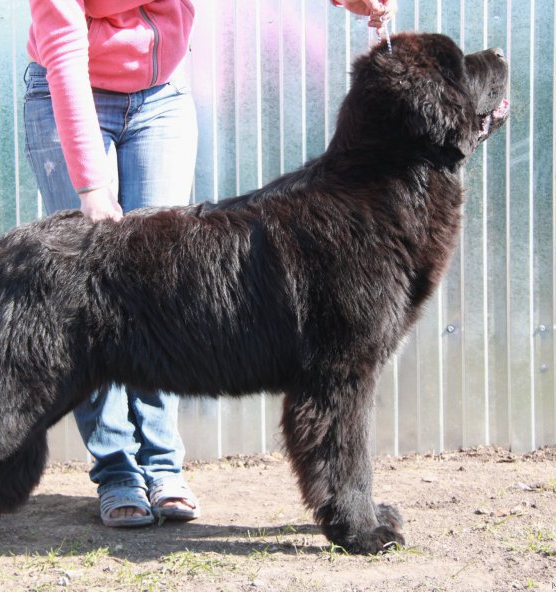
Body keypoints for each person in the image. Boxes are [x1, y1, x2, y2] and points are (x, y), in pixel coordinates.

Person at [23, 0, 396, 528]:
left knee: (161, 287)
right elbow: (62, 46)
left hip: (158, 99)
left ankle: (162, 465)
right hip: (71, 92)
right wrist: (89, 186)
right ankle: (116, 471)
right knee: (95, 292)